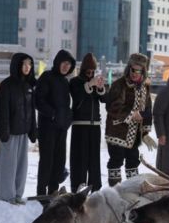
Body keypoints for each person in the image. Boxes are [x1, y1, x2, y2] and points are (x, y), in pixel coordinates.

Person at [102, 53, 155, 185]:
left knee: (133, 160)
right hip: (117, 131)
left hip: (134, 133)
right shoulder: (119, 84)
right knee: (116, 160)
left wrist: (145, 133)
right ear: (128, 68)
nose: (135, 73)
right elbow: (113, 106)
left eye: (138, 70)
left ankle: (132, 189)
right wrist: (132, 114)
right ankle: (115, 191)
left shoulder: (145, 88)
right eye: (133, 69)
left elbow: (148, 111)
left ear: (143, 71)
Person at [0, 53, 37, 204]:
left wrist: (33, 129)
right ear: (17, 65)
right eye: (24, 64)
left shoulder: (29, 86)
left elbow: (32, 111)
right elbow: (2, 111)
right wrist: (4, 131)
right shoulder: (6, 85)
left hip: (24, 132)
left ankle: (18, 194)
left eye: (30, 64)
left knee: (21, 166)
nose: (27, 67)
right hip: (10, 133)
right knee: (8, 166)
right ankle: (7, 196)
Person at [35, 49, 75, 199]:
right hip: (47, 127)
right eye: (64, 63)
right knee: (47, 160)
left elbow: (65, 105)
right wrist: (53, 114)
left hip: (61, 128)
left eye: (69, 65)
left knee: (59, 160)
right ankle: (41, 192)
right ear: (58, 62)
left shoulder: (65, 82)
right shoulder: (46, 77)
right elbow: (38, 101)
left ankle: (53, 190)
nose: (66, 67)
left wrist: (68, 118)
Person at [69, 53, 106, 192]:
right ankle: (77, 186)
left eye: (93, 71)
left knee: (94, 159)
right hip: (80, 125)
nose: (90, 74)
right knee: (79, 157)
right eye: (88, 71)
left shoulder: (96, 81)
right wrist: (89, 84)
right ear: (83, 69)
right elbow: (78, 96)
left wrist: (101, 87)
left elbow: (104, 99)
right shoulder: (75, 82)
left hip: (95, 125)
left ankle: (95, 187)